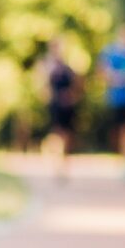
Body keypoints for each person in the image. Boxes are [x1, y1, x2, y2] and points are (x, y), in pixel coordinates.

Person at [98, 24, 125, 170]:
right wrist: (114, 77)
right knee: (120, 130)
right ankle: (123, 159)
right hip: (117, 98)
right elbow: (102, 71)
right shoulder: (111, 53)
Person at [37, 37, 80, 181]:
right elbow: (42, 85)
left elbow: (76, 85)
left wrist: (71, 97)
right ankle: (55, 163)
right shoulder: (47, 65)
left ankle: (64, 165)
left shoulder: (67, 66)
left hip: (67, 106)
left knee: (67, 135)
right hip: (55, 104)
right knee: (56, 134)